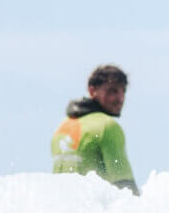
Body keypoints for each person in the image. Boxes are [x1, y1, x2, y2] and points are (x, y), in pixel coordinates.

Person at [51, 64, 140, 195]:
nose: (120, 99)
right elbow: (125, 186)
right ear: (92, 91)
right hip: (94, 212)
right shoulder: (107, 126)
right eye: (112, 91)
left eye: (123, 91)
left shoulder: (62, 128)